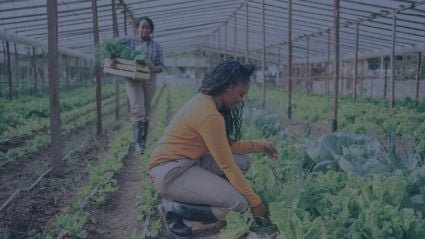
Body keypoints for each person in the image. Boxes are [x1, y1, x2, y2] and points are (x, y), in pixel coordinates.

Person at [148, 60, 278, 238]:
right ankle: (176, 210)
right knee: (239, 206)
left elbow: (225, 147)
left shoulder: (205, 101)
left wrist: (259, 145)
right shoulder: (209, 114)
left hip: (186, 162)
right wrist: (256, 203)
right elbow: (227, 166)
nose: (241, 100)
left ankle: (211, 199)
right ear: (228, 87)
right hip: (171, 173)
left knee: (243, 161)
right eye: (240, 94)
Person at [112, 16, 164, 154]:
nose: (144, 29)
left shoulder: (156, 46)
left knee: (146, 110)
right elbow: (113, 45)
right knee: (137, 108)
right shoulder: (130, 40)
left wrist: (155, 68)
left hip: (149, 77)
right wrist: (113, 57)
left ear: (151, 30)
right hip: (132, 77)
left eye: (147, 27)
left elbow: (161, 66)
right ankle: (138, 145)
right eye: (142, 27)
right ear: (137, 28)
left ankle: (143, 142)